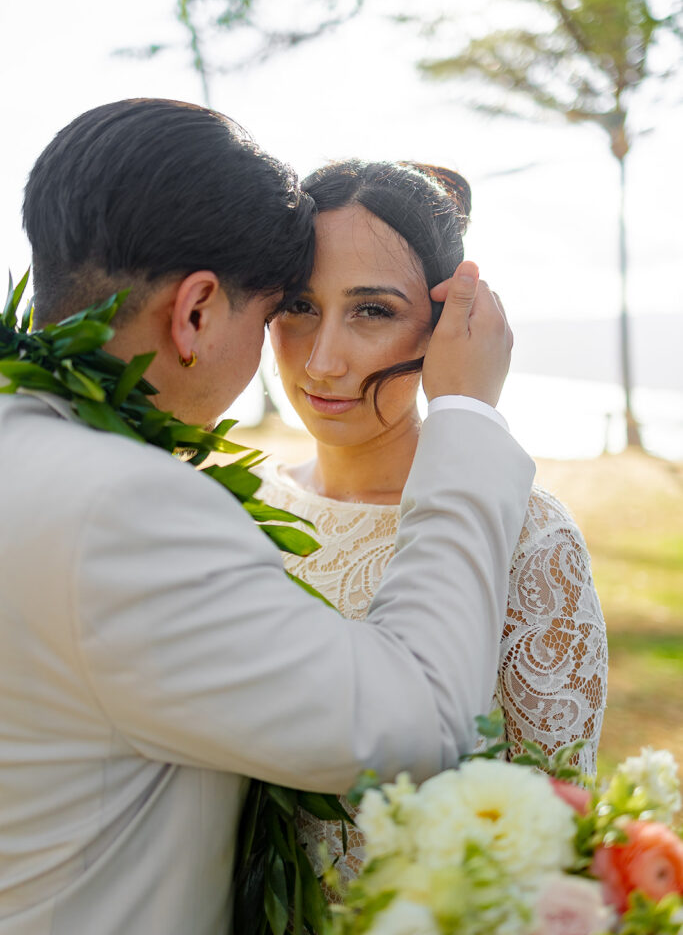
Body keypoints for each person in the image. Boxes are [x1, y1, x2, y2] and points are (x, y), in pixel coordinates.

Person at [0, 100, 535, 935]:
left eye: (371, 310)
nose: (318, 361)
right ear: (196, 312)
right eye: (283, 310)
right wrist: (466, 418)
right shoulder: (130, 509)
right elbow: (420, 720)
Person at [258, 159, 609, 887]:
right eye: (298, 305)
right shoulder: (237, 505)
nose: (323, 361)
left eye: (372, 311)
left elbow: (552, 844)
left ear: (448, 325)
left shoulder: (527, 538)